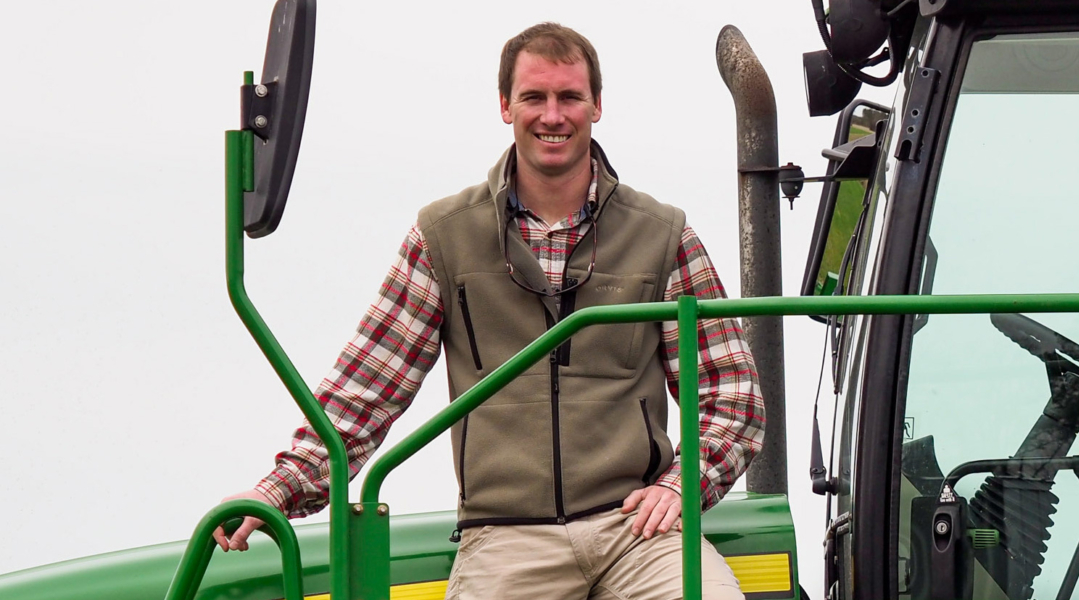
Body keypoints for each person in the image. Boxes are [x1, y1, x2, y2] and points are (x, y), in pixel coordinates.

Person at [212, 22, 764, 600]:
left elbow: (734, 394)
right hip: (506, 538)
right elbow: (367, 388)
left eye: (570, 97)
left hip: (636, 530)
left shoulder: (661, 234)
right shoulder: (446, 236)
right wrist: (275, 491)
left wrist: (681, 486)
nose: (553, 115)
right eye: (534, 97)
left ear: (596, 105)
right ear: (506, 106)